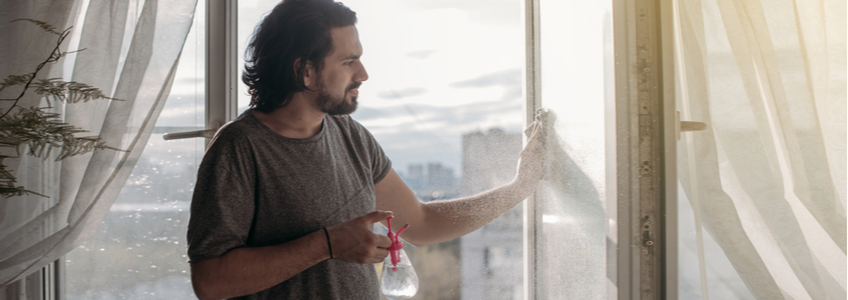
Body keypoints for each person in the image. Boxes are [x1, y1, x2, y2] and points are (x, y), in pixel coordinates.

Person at [186, 0, 546, 299]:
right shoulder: (239, 148)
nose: (363, 73)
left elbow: (419, 224)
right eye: (348, 61)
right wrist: (326, 244)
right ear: (305, 71)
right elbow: (210, 281)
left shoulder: (351, 136)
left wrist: (518, 189)